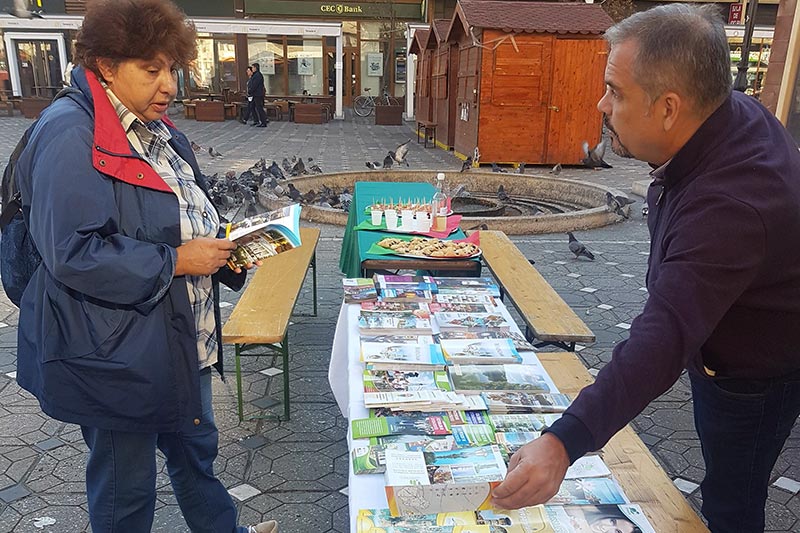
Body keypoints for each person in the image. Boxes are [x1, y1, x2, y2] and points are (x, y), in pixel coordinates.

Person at [492, 4, 800, 532]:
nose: (601, 103)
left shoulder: (730, 207)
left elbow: (662, 341)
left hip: (755, 370)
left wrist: (563, 441)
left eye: (616, 89)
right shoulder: (724, 113)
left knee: (732, 499)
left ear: (669, 107)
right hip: (717, 334)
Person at [12, 1, 276, 532]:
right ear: (106, 66)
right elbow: (72, 252)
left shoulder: (157, 130)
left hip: (182, 338)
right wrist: (178, 260)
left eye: (172, 69)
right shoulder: (69, 132)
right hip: (114, 354)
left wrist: (228, 250)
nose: (169, 86)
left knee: (194, 454)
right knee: (126, 490)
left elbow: (175, 214)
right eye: (151, 70)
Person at [250, 62, 268, 127]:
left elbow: (254, 85)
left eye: (252, 67)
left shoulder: (258, 75)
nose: (252, 69)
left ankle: (264, 122)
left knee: (259, 108)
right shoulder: (255, 75)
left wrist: (250, 91)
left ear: (255, 68)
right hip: (255, 94)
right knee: (252, 107)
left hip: (258, 94)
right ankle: (256, 120)